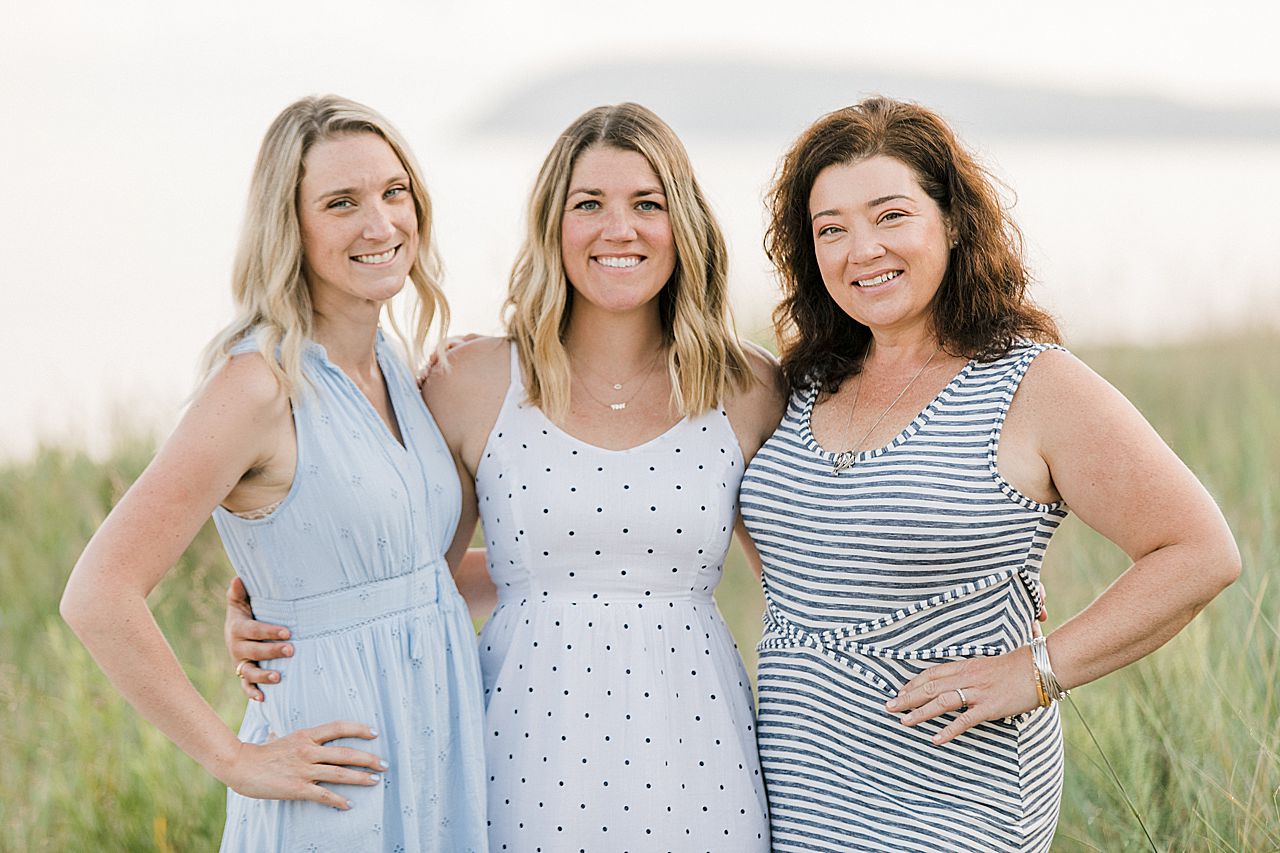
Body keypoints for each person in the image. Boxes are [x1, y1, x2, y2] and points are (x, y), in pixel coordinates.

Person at [229, 102, 785, 850]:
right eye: (589, 204)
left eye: (647, 204)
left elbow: (803, 589)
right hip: (520, 750)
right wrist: (278, 613)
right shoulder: (473, 380)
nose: (619, 229)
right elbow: (414, 578)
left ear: (683, 222)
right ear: (553, 223)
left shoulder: (747, 386)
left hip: (698, 747)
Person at [738, 96, 1241, 852]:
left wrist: (1035, 670)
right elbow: (793, 561)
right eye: (830, 229)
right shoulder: (803, 382)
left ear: (952, 221)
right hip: (795, 792)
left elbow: (1199, 551)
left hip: (954, 802)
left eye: (891, 215)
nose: (862, 249)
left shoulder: (1031, 384)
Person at [61, 95, 488, 852]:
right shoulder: (258, 386)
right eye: (341, 202)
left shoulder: (392, 365)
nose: (380, 224)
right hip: (335, 772)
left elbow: (416, 576)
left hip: (436, 752)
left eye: (394, 192)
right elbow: (98, 592)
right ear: (289, 226)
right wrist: (234, 760)